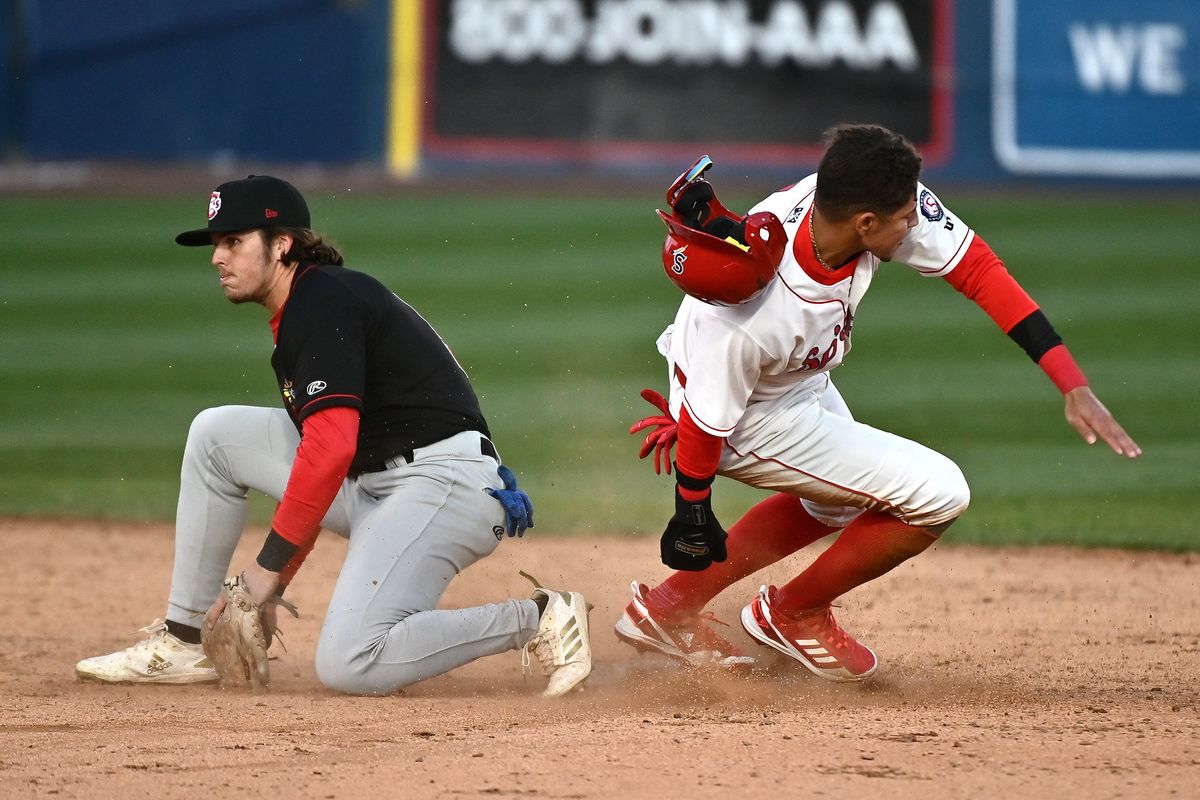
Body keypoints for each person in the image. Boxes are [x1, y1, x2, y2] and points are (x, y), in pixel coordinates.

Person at [615, 125, 1141, 681]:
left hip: (787, 381)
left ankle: (667, 610)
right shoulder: (757, 315)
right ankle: (793, 614)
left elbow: (979, 270)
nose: (916, 221)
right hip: (740, 418)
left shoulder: (848, 205)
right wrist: (692, 505)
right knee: (938, 494)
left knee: (837, 500)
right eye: (904, 217)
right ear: (865, 223)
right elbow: (704, 420)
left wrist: (1070, 381)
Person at [75, 175, 592, 697]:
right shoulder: (306, 306)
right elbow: (320, 467)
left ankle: (541, 618)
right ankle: (186, 642)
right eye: (216, 244)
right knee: (216, 435)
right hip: (377, 482)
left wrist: (267, 573)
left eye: (234, 241)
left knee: (350, 663)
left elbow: (331, 449)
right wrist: (278, 582)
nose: (217, 257)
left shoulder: (323, 301)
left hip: (443, 486)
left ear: (281, 245)